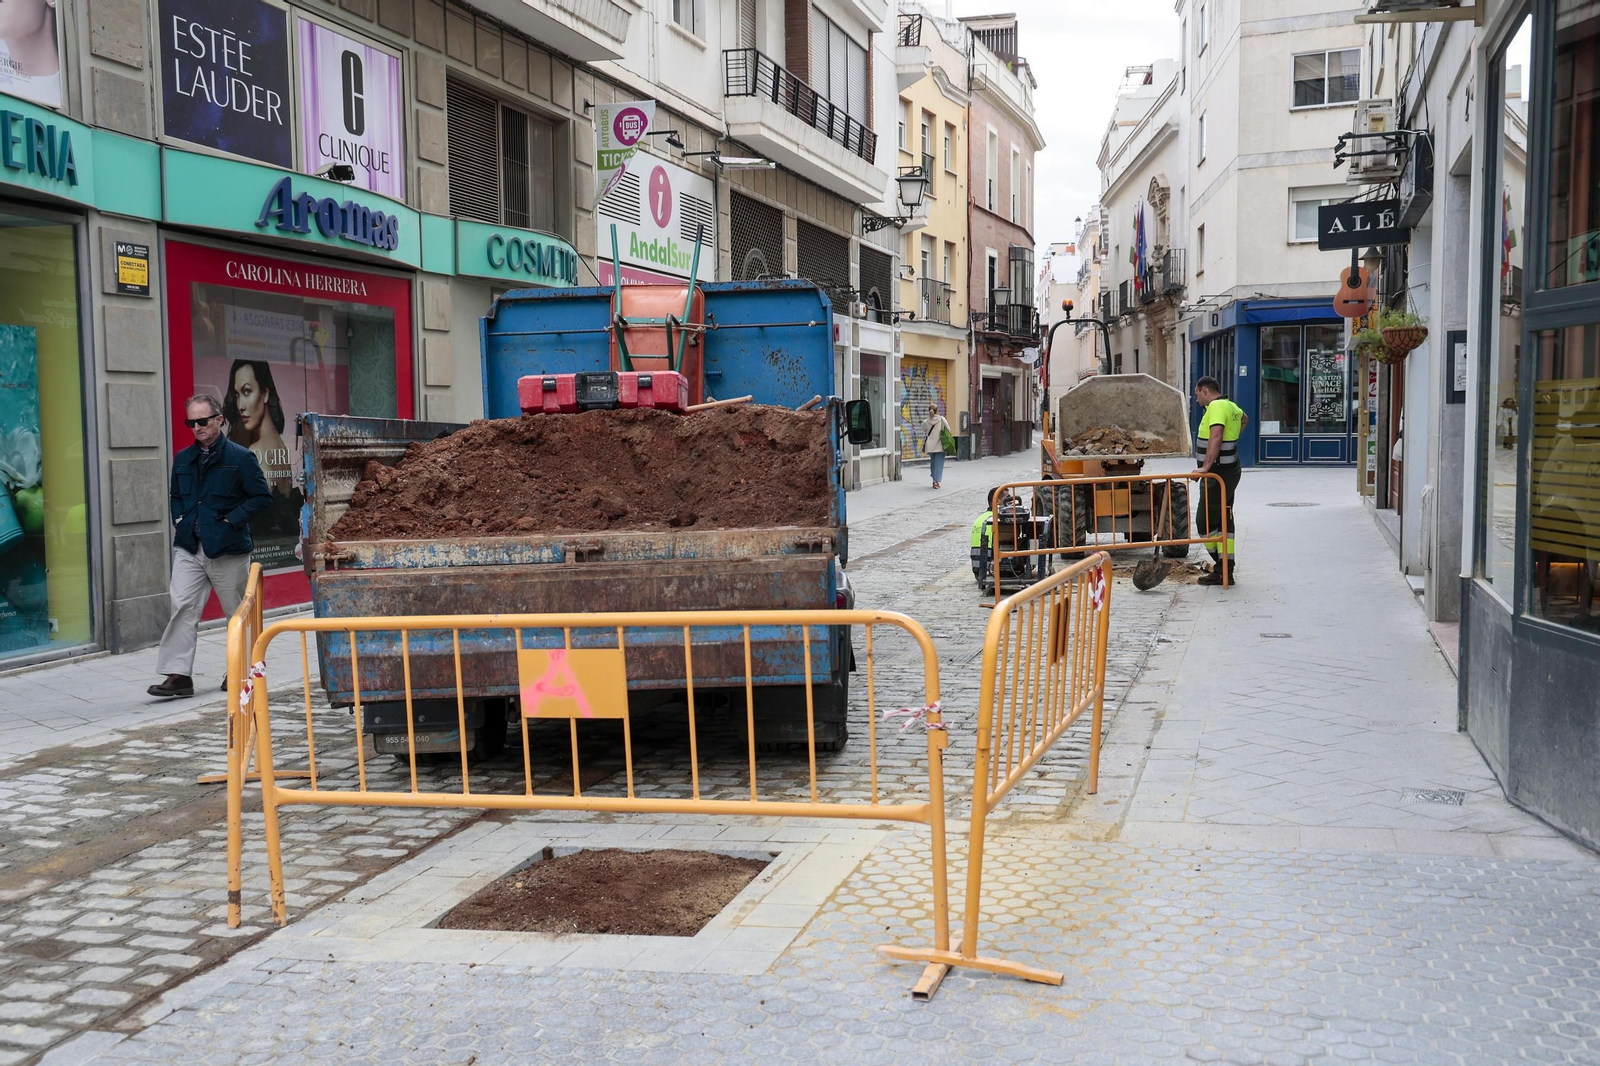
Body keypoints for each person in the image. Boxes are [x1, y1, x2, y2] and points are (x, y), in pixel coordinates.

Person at [148, 395, 272, 699]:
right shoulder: (183, 458)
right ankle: (178, 676)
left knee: (237, 612)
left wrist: (231, 521)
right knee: (182, 607)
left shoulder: (241, 457)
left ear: (219, 419)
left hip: (228, 549)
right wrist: (179, 518)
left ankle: (241, 671)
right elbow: (176, 495)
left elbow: (262, 497)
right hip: (190, 546)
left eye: (203, 421)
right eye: (191, 422)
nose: (197, 427)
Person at [225, 359, 301, 535]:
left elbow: (253, 515)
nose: (240, 406)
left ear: (265, 394)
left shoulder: (257, 451)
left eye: (246, 391)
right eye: (237, 395)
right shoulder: (279, 446)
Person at [1193, 375, 1247, 586]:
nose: (1197, 400)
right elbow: (1245, 419)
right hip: (1230, 470)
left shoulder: (1216, 407)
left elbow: (1216, 436)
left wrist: (1205, 467)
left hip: (1217, 474)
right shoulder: (1231, 406)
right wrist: (1231, 443)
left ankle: (1223, 567)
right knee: (1224, 520)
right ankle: (1226, 570)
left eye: (1197, 395)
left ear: (1205, 391)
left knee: (1204, 522)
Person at [920, 404, 953, 488]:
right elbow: (948, 429)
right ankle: (936, 481)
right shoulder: (942, 419)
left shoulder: (925, 422)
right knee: (939, 463)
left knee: (933, 462)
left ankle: (934, 477)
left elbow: (924, 430)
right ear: (937, 410)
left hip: (930, 445)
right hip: (940, 445)